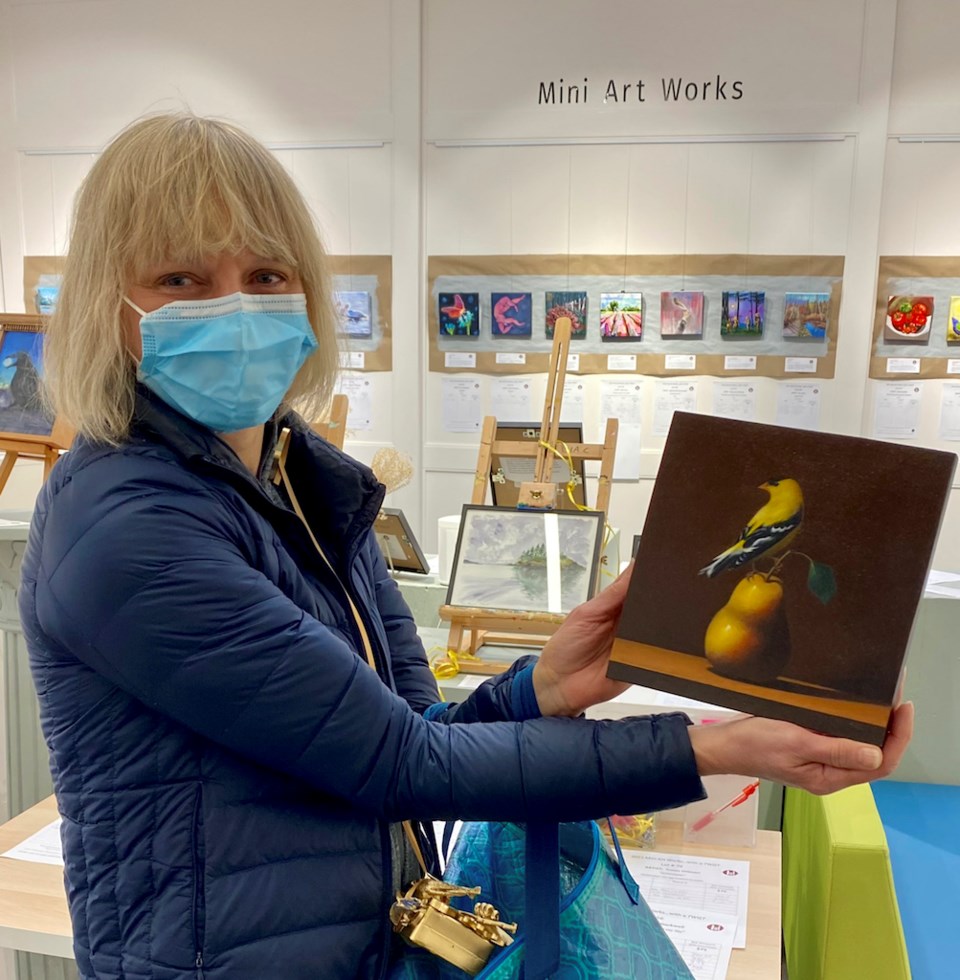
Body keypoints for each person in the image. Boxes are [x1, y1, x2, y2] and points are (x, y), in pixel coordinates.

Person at [18, 113, 913, 980]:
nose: (235, 307)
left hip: (364, 946)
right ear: (112, 301)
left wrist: (545, 687)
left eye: (265, 274)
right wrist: (711, 746)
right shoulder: (125, 525)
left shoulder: (302, 484)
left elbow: (416, 735)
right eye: (181, 278)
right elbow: (407, 767)